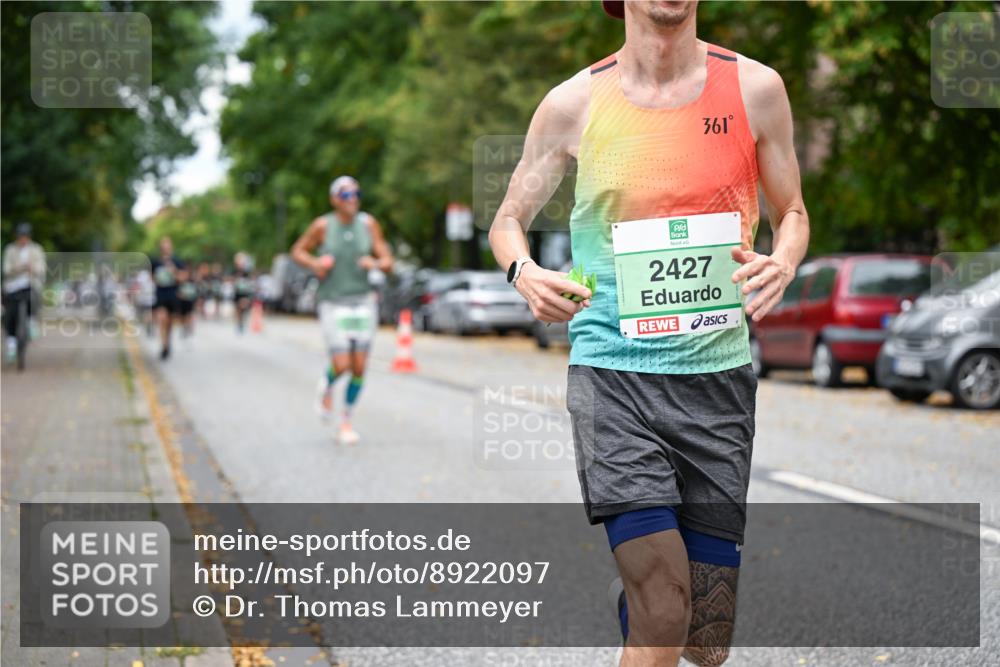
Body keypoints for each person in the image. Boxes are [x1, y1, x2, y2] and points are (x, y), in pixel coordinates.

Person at [488, 2, 809, 665]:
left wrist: (784, 260)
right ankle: (649, 598)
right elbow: (508, 219)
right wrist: (523, 271)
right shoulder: (573, 102)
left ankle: (640, 601)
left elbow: (794, 211)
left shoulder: (756, 88)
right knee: (666, 606)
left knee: (705, 641)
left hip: (717, 382)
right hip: (613, 375)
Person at [291, 176, 394, 444]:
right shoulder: (323, 225)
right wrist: (315, 263)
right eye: (347, 195)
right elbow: (298, 251)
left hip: (362, 301)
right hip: (333, 301)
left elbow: (387, 260)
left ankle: (346, 421)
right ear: (335, 199)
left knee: (359, 366)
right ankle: (326, 385)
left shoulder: (368, 224)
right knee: (342, 363)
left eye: (356, 194)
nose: (354, 199)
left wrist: (376, 263)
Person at [3, 222, 46, 361]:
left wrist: (32, 268)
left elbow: (41, 269)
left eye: (25, 236)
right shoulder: (10, 250)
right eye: (20, 236)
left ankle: (32, 320)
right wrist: (18, 268)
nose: (23, 239)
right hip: (13, 286)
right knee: (9, 312)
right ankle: (11, 342)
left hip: (30, 284)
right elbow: (6, 270)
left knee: (35, 297)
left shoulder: (36, 250)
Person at [150, 236, 185, 360]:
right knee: (162, 319)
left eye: (167, 244)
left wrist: (174, 271)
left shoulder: (177, 261)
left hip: (173, 294)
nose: (165, 247)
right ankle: (164, 346)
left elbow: (182, 278)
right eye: (163, 244)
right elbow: (151, 278)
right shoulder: (155, 262)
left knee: (169, 322)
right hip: (160, 294)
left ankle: (168, 343)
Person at [232, 252, 255, 334]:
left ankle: (242, 321)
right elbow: (230, 279)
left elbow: (250, 279)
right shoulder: (234, 270)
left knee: (243, 306)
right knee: (237, 309)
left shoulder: (247, 271)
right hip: (237, 292)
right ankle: (239, 323)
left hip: (244, 292)